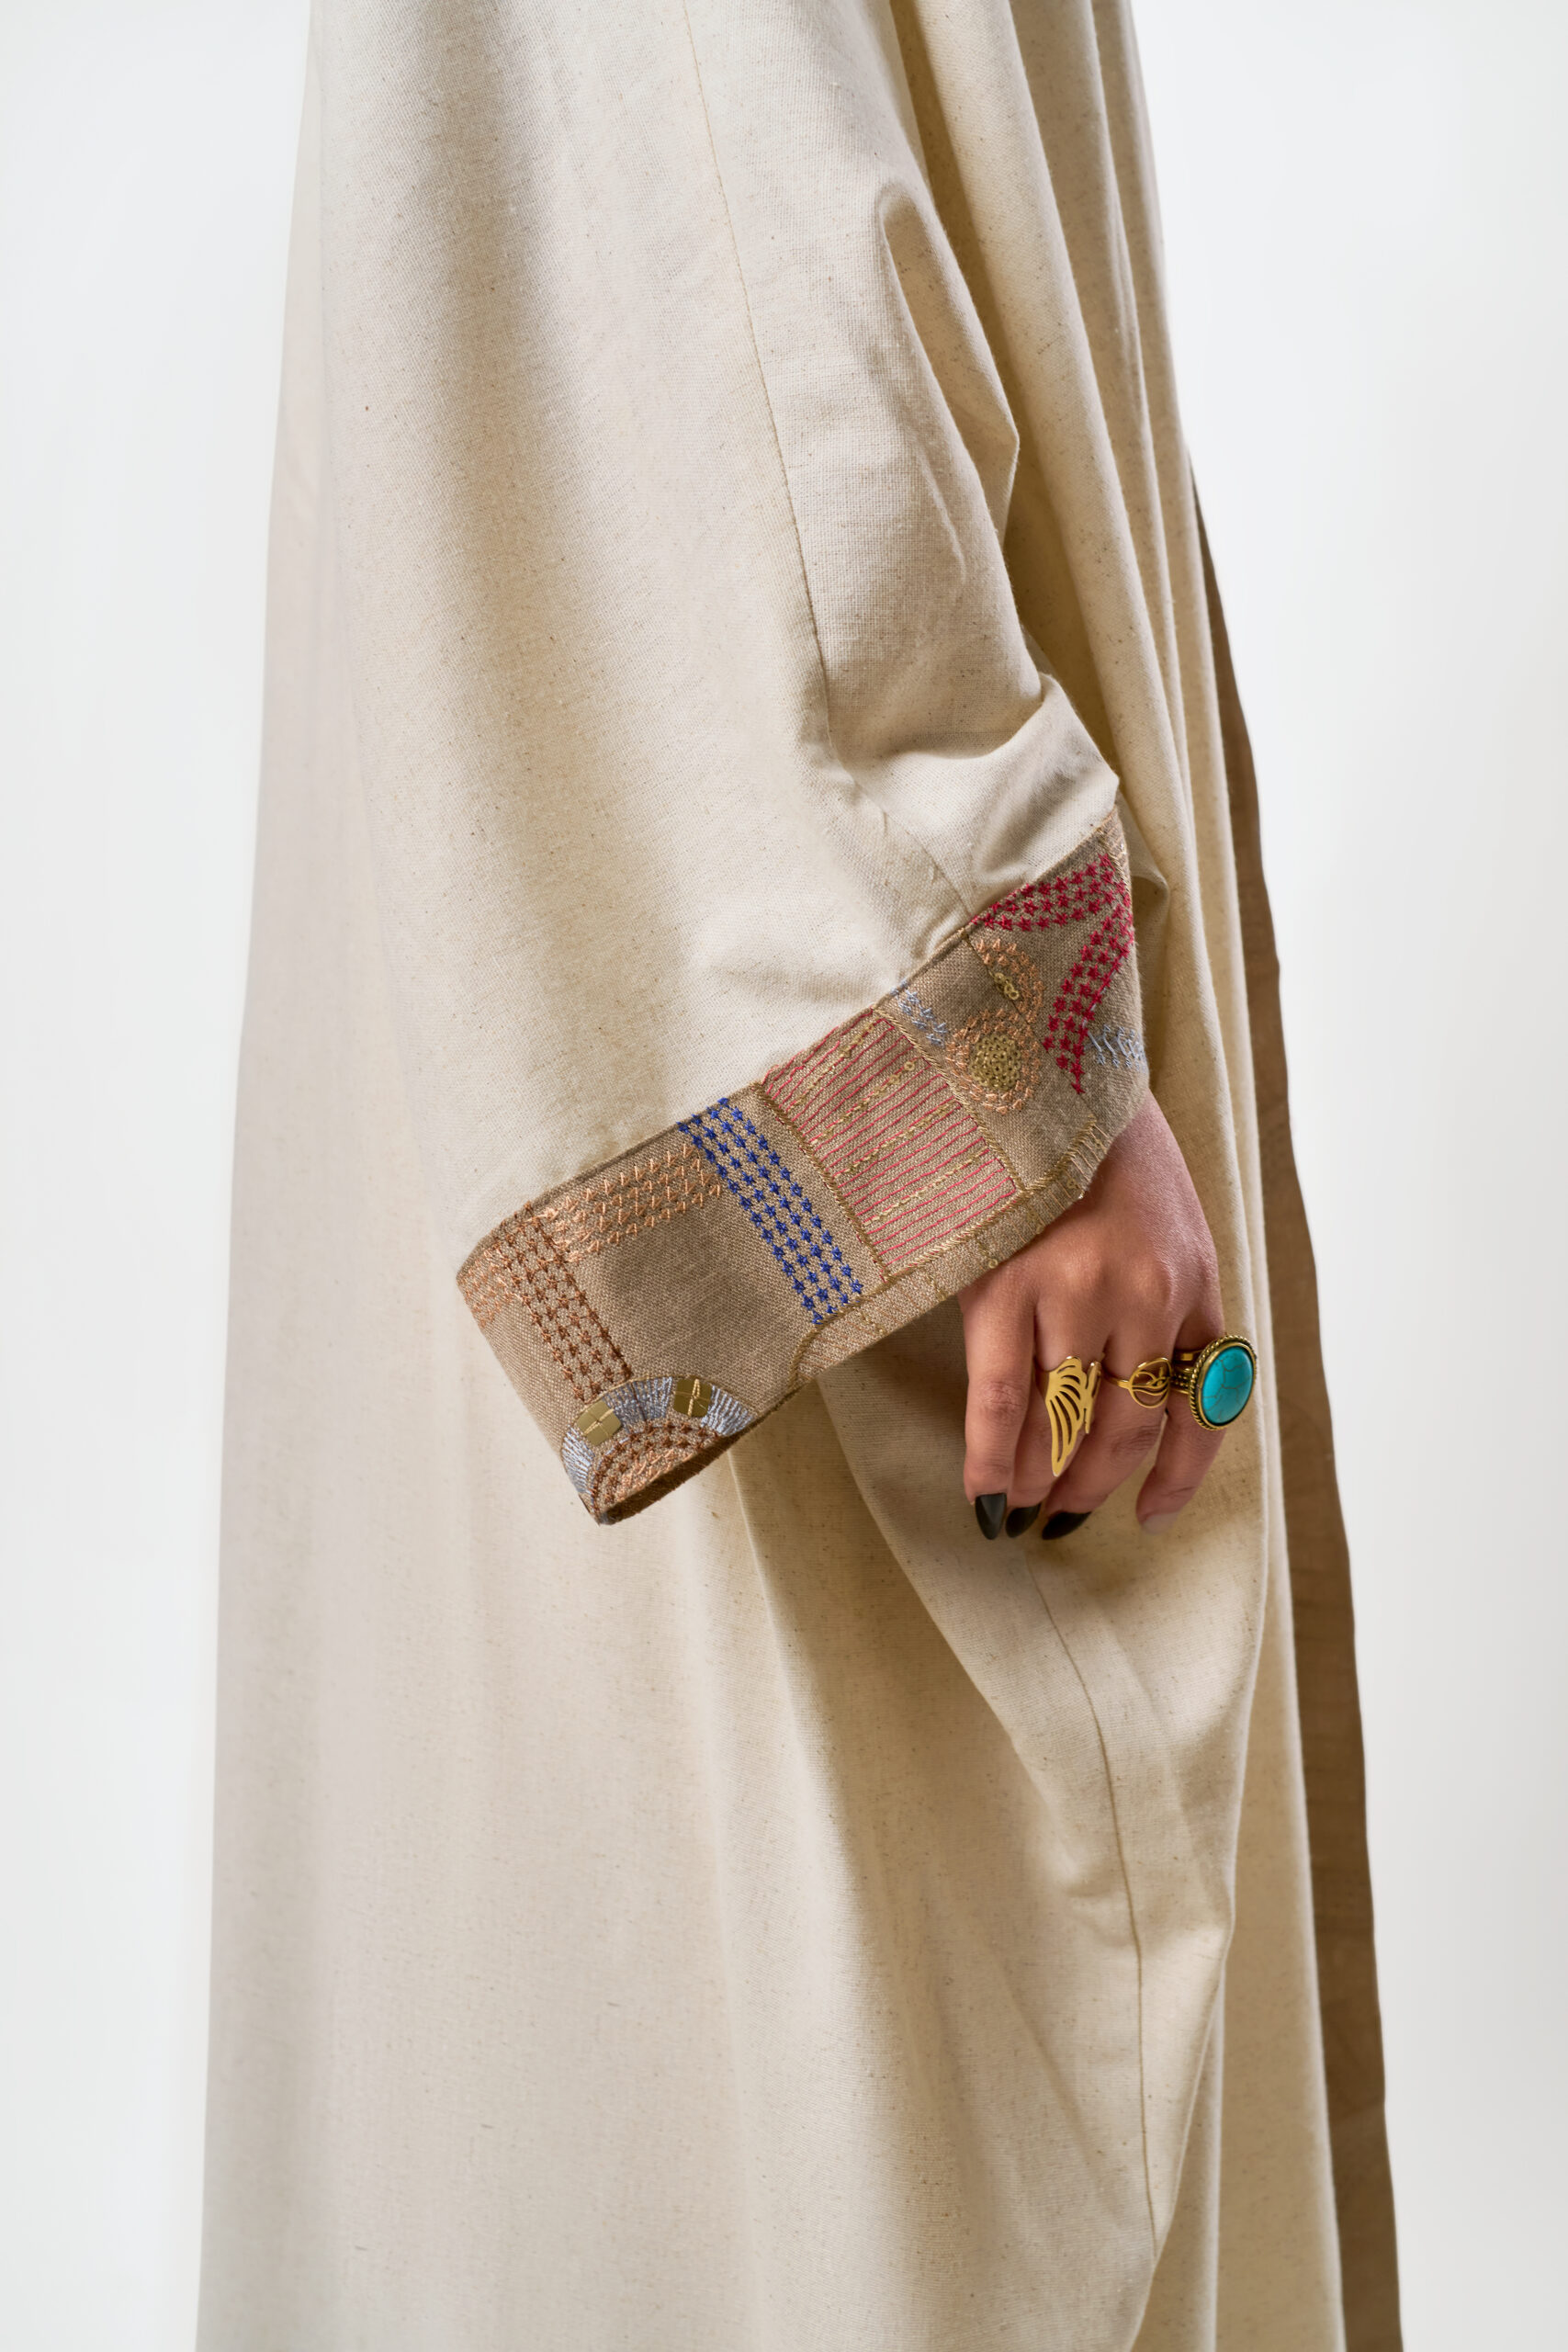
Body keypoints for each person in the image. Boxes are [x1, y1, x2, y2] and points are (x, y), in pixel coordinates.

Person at [198, 5, 1398, 2346]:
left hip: (615, 917)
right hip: (743, 960)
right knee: (810, 2080)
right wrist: (1007, 1056)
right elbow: (707, 214)